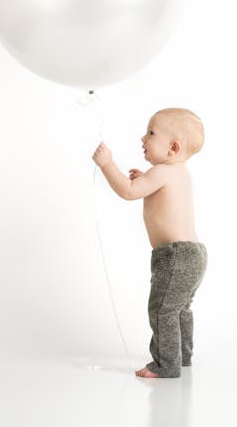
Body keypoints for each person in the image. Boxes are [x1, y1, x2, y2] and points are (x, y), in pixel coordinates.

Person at [92, 108, 207, 378]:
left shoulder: (161, 171)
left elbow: (128, 192)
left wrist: (107, 163)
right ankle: (182, 355)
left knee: (162, 310)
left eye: (151, 133)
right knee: (179, 309)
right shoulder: (177, 171)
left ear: (173, 148)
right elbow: (154, 190)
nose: (143, 138)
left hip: (175, 255)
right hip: (194, 254)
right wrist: (144, 176)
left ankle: (166, 364)